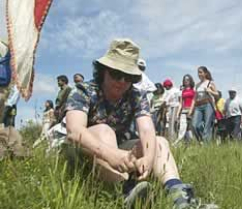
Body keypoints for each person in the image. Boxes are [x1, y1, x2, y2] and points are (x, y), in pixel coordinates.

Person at [64, 39, 217, 209]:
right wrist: (112, 155)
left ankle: (179, 198)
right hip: (85, 153)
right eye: (116, 74)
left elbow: (146, 130)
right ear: (103, 71)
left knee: (159, 142)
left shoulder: (136, 95)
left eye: (128, 76)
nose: (122, 81)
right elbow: (74, 131)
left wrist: (148, 158)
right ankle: (126, 192)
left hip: (121, 154)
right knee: (104, 131)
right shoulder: (83, 90)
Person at [190, 66, 218, 143]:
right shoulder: (197, 85)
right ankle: (201, 140)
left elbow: (217, 94)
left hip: (208, 105)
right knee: (195, 125)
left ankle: (206, 144)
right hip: (198, 106)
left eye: (201, 72)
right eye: (198, 72)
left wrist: (210, 91)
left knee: (207, 126)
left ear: (205, 73)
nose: (199, 74)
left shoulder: (210, 83)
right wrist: (190, 110)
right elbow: (194, 99)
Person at [174, 74, 195, 146]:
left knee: (191, 128)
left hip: (192, 110)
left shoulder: (194, 90)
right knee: (182, 128)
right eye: (184, 80)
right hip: (184, 110)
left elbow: (194, 101)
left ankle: (191, 144)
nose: (186, 81)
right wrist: (177, 114)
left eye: (188, 79)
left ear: (190, 80)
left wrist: (192, 110)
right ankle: (177, 144)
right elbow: (180, 103)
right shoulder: (183, 91)